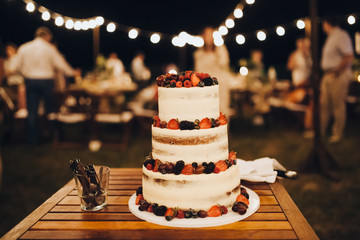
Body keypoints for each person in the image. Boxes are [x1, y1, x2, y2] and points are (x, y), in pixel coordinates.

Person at [8, 26, 79, 144]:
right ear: (47, 36)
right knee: (50, 109)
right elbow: (60, 64)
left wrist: (21, 73)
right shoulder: (49, 48)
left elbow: (13, 67)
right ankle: (52, 136)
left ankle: (33, 139)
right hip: (46, 81)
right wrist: (72, 72)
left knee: (32, 111)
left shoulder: (24, 48)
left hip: (30, 80)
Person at [320, 16, 354, 143]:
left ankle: (337, 133)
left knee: (337, 105)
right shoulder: (331, 37)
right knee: (324, 105)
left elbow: (348, 56)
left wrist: (336, 72)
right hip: (328, 75)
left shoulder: (341, 35)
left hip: (337, 75)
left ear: (327, 23)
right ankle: (320, 131)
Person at [193, 27, 234, 117]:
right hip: (206, 84)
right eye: (206, 35)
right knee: (206, 108)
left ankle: (223, 128)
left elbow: (224, 63)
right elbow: (198, 70)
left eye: (210, 34)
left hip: (221, 83)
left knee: (222, 107)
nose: (208, 37)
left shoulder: (220, 49)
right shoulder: (199, 53)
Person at [3, 43, 27, 118]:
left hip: (18, 82)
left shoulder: (17, 58)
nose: (8, 51)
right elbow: (6, 72)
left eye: (10, 49)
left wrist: (9, 72)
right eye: (7, 49)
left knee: (20, 99)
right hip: (10, 82)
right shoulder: (7, 61)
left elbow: (13, 70)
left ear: (14, 49)